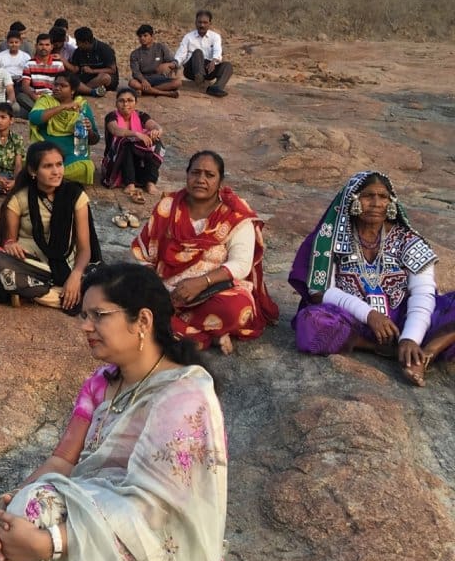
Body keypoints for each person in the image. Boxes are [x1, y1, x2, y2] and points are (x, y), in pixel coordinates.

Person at [0, 263, 227, 561]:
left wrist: (51, 543)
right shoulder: (100, 383)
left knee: (31, 528)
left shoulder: (183, 395)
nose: (85, 326)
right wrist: (14, 500)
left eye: (99, 315)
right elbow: (63, 460)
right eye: (84, 316)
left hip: (140, 540)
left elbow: (160, 509)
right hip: (87, 509)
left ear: (142, 320)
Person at [290, 171, 455, 386]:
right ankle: (384, 349)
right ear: (353, 200)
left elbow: (423, 291)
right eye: (368, 196)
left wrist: (410, 337)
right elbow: (319, 292)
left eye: (383, 197)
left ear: (391, 202)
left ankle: (424, 354)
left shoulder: (407, 240)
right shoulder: (329, 238)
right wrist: (370, 315)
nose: (376, 203)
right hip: (355, 320)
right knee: (310, 321)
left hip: (405, 320)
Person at [131, 150, 279, 354]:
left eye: (209, 175)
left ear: (220, 181)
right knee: (130, 296)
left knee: (235, 308)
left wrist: (200, 283)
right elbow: (146, 253)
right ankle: (211, 334)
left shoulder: (235, 213)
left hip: (215, 291)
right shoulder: (168, 206)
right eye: (195, 173)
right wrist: (158, 290)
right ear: (187, 175)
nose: (201, 180)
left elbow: (241, 264)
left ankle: (180, 330)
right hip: (168, 291)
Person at [0, 142, 101, 311]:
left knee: (111, 281)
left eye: (59, 164)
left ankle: (29, 291)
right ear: (32, 171)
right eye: (48, 166)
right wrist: (10, 244)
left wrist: (75, 276)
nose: (56, 171)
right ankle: (60, 297)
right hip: (32, 265)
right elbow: (8, 241)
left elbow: (84, 249)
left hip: (66, 264)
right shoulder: (19, 199)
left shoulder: (75, 196)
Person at [28, 72, 98, 186]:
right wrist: (63, 107)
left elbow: (95, 140)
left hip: (72, 155)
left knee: (86, 167)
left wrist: (89, 130)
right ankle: (57, 179)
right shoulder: (45, 101)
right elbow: (34, 118)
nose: (57, 88)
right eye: (55, 85)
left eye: (63, 86)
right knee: (33, 162)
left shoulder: (82, 106)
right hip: (48, 152)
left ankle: (49, 177)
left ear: (73, 90)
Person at [101, 88, 164, 201]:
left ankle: (150, 182)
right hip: (116, 162)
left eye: (130, 100)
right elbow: (116, 130)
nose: (126, 104)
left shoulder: (141, 115)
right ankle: (129, 183)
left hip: (138, 163)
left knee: (156, 142)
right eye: (122, 101)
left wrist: (157, 131)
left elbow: (155, 126)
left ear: (136, 103)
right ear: (116, 103)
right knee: (126, 142)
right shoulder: (111, 116)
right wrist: (136, 134)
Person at [175, 10, 234, 97]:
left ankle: (215, 88)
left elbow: (218, 51)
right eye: (199, 22)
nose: (202, 25)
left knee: (228, 66)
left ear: (210, 23)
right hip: (192, 70)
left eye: (205, 22)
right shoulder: (188, 37)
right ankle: (199, 78)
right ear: (195, 22)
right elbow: (181, 53)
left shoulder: (215, 37)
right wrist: (175, 63)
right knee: (198, 52)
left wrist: (214, 61)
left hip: (208, 68)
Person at [128, 24, 181, 98]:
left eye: (145, 35)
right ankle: (166, 93)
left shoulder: (161, 48)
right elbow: (136, 72)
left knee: (178, 82)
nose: (142, 38)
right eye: (140, 36)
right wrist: (143, 80)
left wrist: (169, 65)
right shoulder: (135, 54)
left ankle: (146, 92)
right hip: (144, 79)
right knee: (132, 83)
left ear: (152, 36)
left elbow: (175, 62)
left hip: (160, 78)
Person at [17, 33, 65, 113]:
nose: (44, 47)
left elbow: (61, 85)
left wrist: (51, 97)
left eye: (47, 45)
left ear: (51, 47)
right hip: (36, 97)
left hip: (53, 97)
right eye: (41, 44)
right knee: (21, 96)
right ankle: (46, 113)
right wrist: (34, 97)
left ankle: (41, 113)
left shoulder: (58, 64)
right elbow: (25, 86)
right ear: (36, 46)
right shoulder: (29, 64)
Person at [0, 102, 25, 196]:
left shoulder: (17, 139)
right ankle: (1, 189)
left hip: (14, 174)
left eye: (3, 117)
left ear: (11, 120)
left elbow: (18, 164)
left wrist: (15, 181)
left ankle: (2, 189)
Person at [67, 26, 118, 97]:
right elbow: (75, 69)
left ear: (86, 42)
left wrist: (92, 71)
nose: (76, 45)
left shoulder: (104, 49)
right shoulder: (78, 52)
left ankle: (82, 91)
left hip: (105, 80)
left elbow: (112, 70)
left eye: (78, 42)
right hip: (87, 78)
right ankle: (89, 91)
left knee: (104, 77)